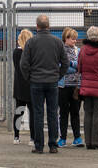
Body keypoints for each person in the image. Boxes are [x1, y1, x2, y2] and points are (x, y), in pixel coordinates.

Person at [20, 14, 65, 154]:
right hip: (52, 82)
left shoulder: (31, 42)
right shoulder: (57, 42)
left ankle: (39, 145)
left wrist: (29, 77)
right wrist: (58, 75)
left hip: (36, 81)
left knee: (38, 113)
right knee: (52, 113)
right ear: (49, 26)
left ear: (37, 26)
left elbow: (24, 64)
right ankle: (53, 144)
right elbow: (66, 62)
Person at [57, 27, 83, 147]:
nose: (75, 41)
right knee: (63, 112)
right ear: (66, 38)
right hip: (63, 86)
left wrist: (71, 64)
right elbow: (61, 67)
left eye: (75, 39)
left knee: (75, 112)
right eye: (72, 39)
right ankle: (62, 138)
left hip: (76, 86)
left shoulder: (78, 50)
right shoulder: (59, 50)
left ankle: (77, 137)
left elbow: (80, 66)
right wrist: (73, 67)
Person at [11, 28, 34, 144]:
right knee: (33, 113)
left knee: (19, 111)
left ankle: (16, 136)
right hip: (31, 85)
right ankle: (32, 138)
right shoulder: (32, 52)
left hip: (19, 85)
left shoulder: (16, 52)